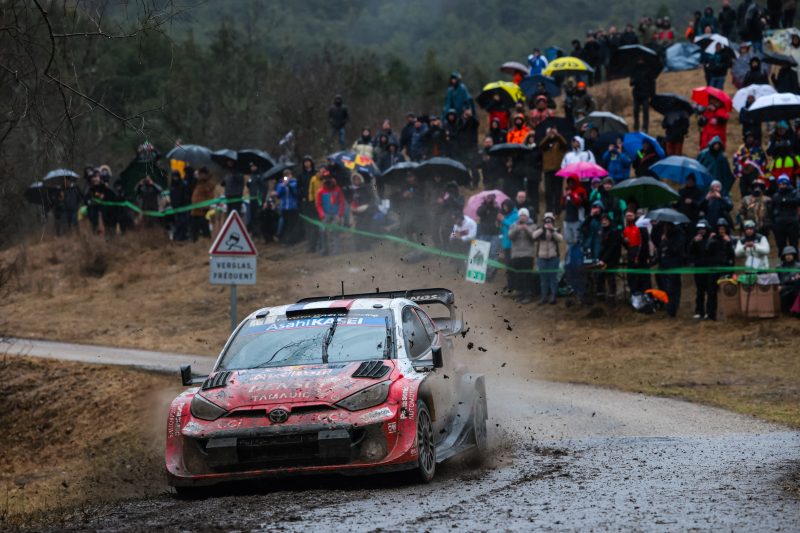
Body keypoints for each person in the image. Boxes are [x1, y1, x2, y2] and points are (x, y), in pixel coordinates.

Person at [533, 212, 563, 304]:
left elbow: (560, 239)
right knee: (543, 278)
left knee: (553, 277)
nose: (548, 222)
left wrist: (552, 230)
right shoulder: (540, 229)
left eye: (550, 220)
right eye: (546, 220)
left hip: (553, 257)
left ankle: (553, 295)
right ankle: (544, 296)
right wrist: (543, 229)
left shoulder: (556, 230)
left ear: (553, 221)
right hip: (541, 257)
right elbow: (533, 236)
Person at [508, 208, 536, 304]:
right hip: (516, 255)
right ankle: (520, 294)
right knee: (518, 276)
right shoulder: (513, 225)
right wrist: (518, 228)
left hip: (528, 255)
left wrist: (526, 228)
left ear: (527, 217)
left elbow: (534, 237)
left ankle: (528, 294)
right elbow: (510, 236)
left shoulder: (533, 226)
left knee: (527, 275)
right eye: (521, 215)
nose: (522, 217)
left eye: (524, 215)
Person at [658, 222, 686, 317]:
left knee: (672, 289)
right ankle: (669, 308)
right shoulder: (665, 235)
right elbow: (661, 250)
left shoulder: (679, 234)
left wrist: (667, 241)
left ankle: (672, 309)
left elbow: (675, 249)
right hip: (663, 266)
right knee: (666, 288)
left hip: (674, 266)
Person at [315, 168, 346, 256]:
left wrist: (339, 214)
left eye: (329, 178)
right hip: (325, 214)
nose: (327, 181)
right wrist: (322, 215)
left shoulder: (337, 189)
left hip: (336, 214)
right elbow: (318, 204)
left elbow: (342, 202)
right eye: (325, 179)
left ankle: (336, 250)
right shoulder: (320, 191)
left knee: (335, 231)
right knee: (322, 231)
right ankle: (324, 250)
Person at [541, 128, 569, 214]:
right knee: (548, 191)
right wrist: (547, 136)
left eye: (552, 132)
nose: (551, 134)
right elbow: (541, 145)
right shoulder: (545, 145)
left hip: (558, 170)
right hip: (548, 171)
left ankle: (557, 210)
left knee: (558, 191)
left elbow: (565, 144)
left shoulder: (559, 144)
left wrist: (558, 135)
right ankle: (548, 209)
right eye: (549, 132)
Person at [770, 175, 800, 251]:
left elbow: (798, 201)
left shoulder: (794, 193)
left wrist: (785, 200)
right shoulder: (776, 195)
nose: (782, 186)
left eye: (784, 184)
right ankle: (782, 257)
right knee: (780, 244)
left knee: (794, 244)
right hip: (779, 223)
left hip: (792, 222)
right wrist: (773, 222)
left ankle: (795, 257)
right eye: (780, 184)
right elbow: (771, 209)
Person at [499, 199, 519, 295]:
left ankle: (514, 286)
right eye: (503, 207)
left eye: (506, 207)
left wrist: (503, 220)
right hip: (506, 245)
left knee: (512, 267)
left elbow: (513, 226)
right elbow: (504, 230)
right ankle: (510, 285)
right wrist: (499, 224)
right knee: (508, 267)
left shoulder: (516, 215)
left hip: (513, 245)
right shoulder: (506, 215)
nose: (504, 208)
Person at [630, 59, 656, 132]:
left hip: (645, 94)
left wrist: (652, 94)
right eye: (639, 60)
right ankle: (636, 127)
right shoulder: (634, 70)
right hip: (637, 94)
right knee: (636, 111)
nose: (640, 61)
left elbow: (652, 83)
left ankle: (645, 128)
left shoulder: (648, 70)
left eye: (641, 60)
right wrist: (633, 81)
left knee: (645, 112)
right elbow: (631, 83)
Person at [276, 170, 301, 245]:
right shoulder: (280, 184)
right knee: (285, 224)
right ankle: (284, 240)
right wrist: (283, 186)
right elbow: (278, 195)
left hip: (293, 207)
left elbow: (296, 193)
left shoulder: (294, 183)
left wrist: (289, 185)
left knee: (292, 224)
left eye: (289, 175)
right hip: (284, 207)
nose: (288, 177)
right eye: (286, 176)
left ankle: (292, 240)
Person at [169, 170, 192, 241]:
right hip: (175, 208)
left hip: (183, 207)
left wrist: (185, 203)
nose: (175, 178)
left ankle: (182, 236)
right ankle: (177, 237)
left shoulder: (183, 185)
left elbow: (187, 195)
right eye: (174, 177)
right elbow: (172, 196)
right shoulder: (172, 186)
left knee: (182, 222)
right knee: (177, 222)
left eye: (176, 177)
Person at [778, 246, 800, 313]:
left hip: (795, 287)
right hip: (783, 287)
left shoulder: (798, 266)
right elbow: (777, 278)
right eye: (787, 254)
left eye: (790, 254)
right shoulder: (779, 267)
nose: (788, 256)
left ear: (794, 255)